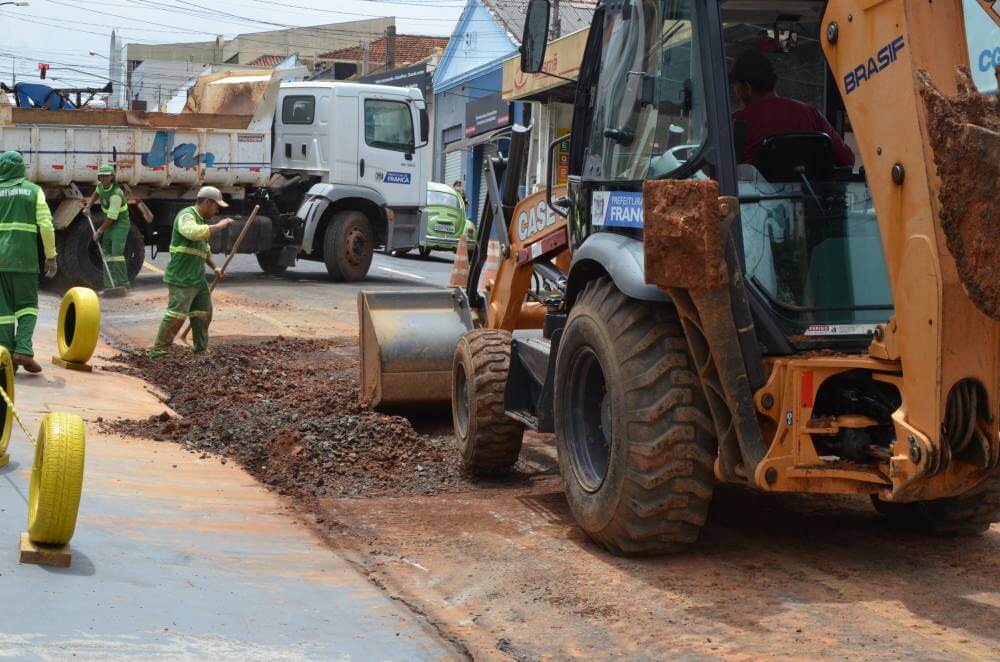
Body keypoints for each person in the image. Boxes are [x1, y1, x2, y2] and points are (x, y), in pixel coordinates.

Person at [730, 50, 855, 168]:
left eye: (735, 86)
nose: (734, 92)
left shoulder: (738, 122)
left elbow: (718, 170)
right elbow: (847, 159)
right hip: (811, 191)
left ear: (747, 87)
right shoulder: (810, 114)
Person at [150, 186, 234, 358]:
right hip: (181, 277)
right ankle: (160, 351)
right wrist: (218, 226)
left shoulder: (201, 221)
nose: (217, 210)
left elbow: (204, 249)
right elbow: (192, 233)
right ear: (207, 202)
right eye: (216, 205)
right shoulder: (186, 216)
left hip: (197, 278)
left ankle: (200, 349)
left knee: (203, 314)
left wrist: (215, 267)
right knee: (176, 315)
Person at [0, 150, 57, 373]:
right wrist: (51, 255)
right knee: (27, 306)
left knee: (2, 311)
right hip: (24, 260)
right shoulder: (33, 191)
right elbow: (46, 225)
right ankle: (23, 349)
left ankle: (6, 361)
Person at [86, 164, 131, 290]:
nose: (103, 178)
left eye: (106, 176)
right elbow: (96, 193)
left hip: (120, 224)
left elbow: (112, 218)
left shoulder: (116, 193)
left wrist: (99, 231)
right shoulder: (100, 186)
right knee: (106, 253)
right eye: (101, 176)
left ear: (112, 177)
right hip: (110, 223)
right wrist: (89, 206)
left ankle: (123, 283)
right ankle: (109, 284)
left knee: (117, 253)